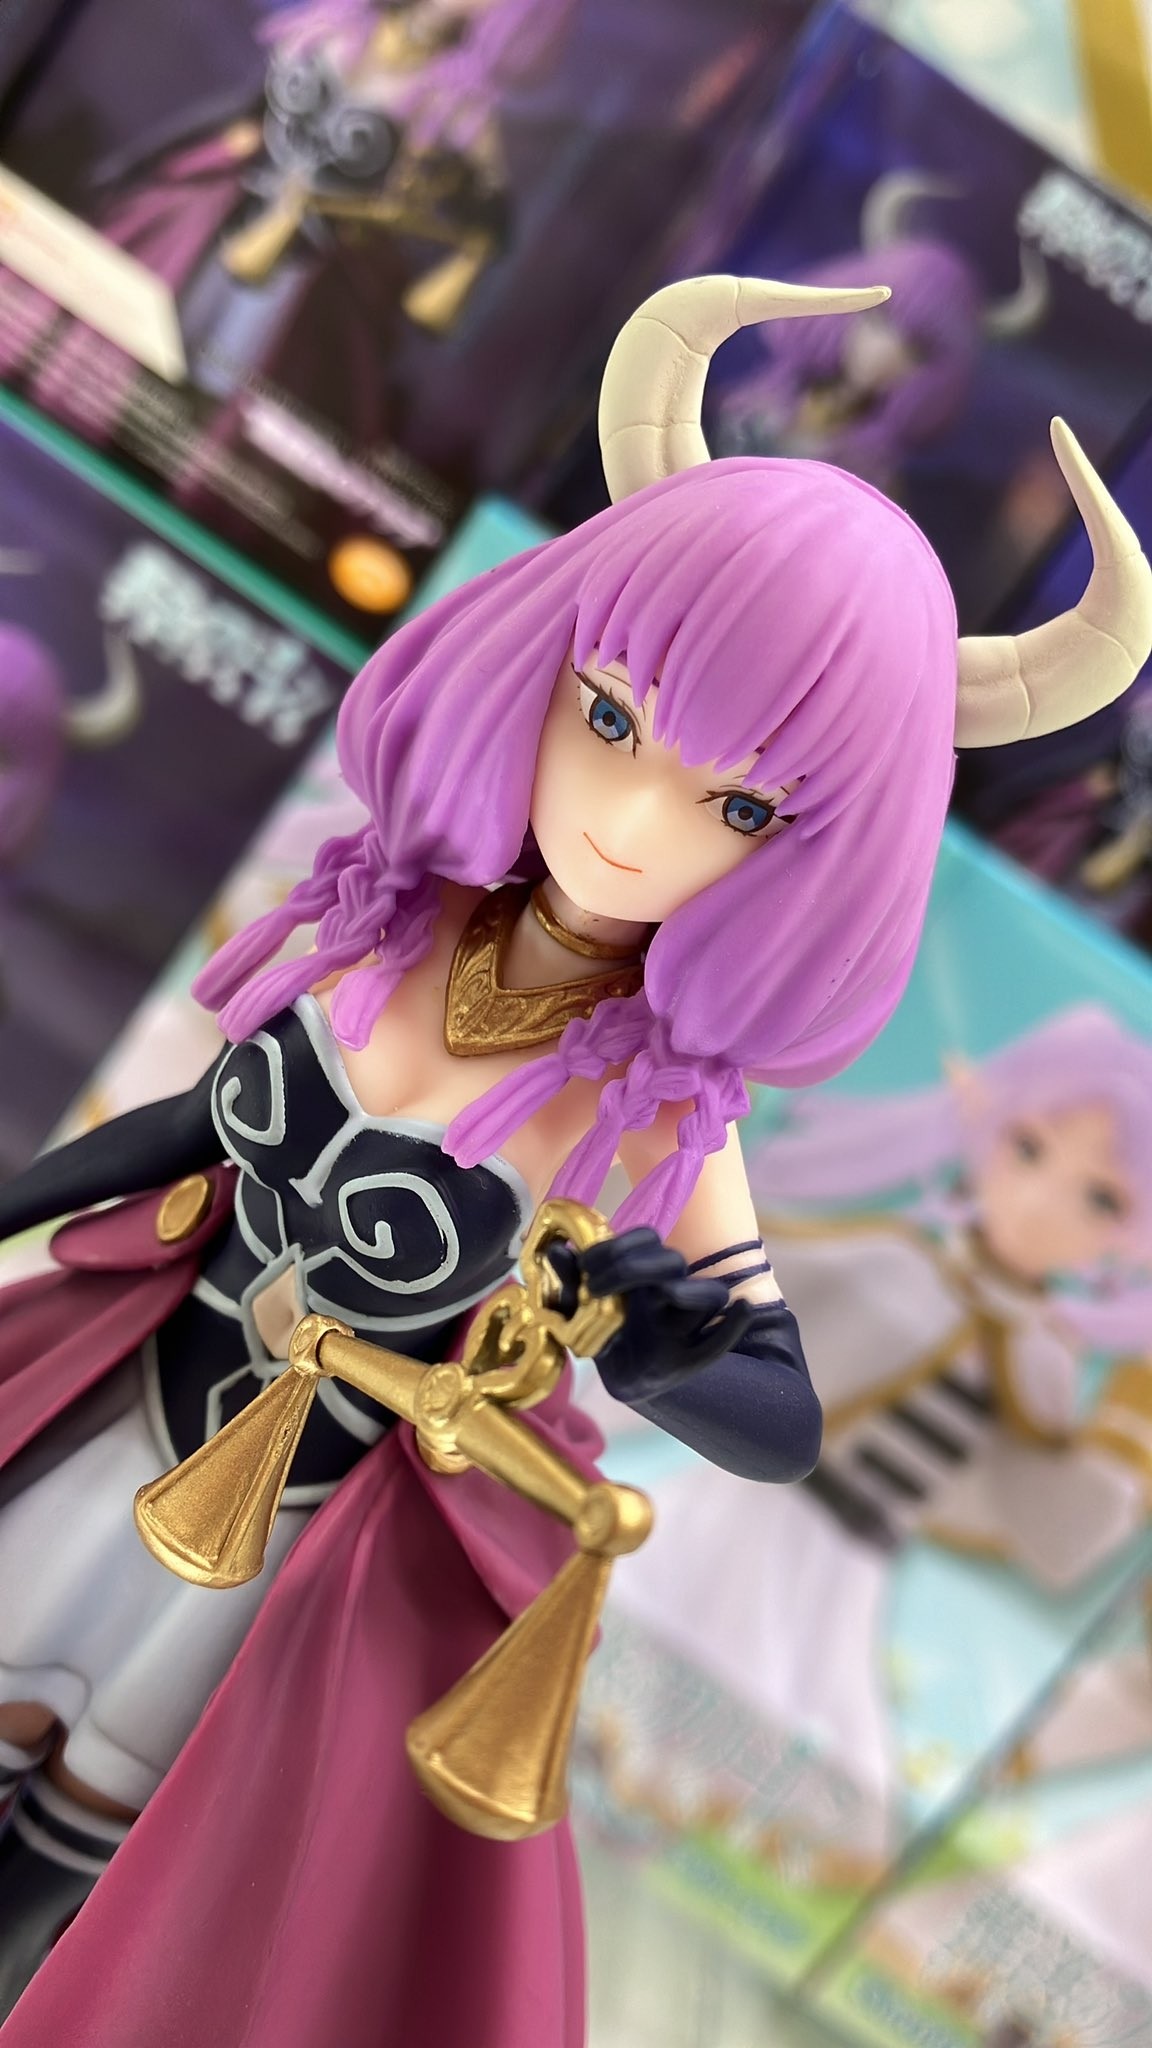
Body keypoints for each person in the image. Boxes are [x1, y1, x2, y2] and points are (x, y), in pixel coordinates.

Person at [0, 271, 1144, 2047]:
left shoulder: (658, 1115)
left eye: (740, 804)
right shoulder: (385, 922)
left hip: (293, 1535)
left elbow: (775, 1412)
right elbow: (204, 1127)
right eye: (609, 715)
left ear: (815, 852)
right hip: (125, 1412)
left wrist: (668, 1340)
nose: (627, 818)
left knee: (77, 1852)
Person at [605, 1006, 1152, 1871]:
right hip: (758, 1504)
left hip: (855, 1556)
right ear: (983, 1120)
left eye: (1100, 1199)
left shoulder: (1046, 1361)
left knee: (813, 1730)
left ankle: (663, 1822)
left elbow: (1044, 1520)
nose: (1042, 1202)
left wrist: (1122, 1430)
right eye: (1028, 1149)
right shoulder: (893, 1263)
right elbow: (749, 1285)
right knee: (660, 1625)